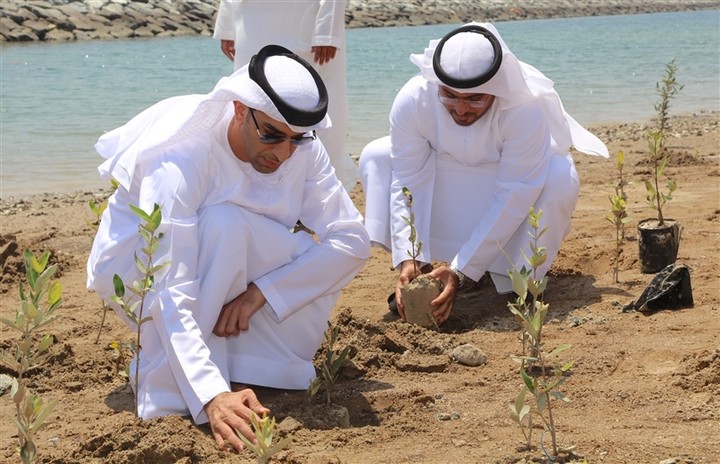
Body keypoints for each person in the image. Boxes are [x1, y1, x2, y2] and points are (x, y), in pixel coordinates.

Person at [87, 45, 370, 452]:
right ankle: (189, 386)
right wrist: (211, 396)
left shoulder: (300, 148)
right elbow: (170, 285)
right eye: (271, 135)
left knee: (257, 237)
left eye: (297, 139)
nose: (283, 153)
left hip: (229, 257)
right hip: (138, 267)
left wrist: (262, 293)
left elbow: (352, 241)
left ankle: (248, 367)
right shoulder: (181, 158)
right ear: (240, 109)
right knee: (225, 223)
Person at [359, 22, 608, 325]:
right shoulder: (415, 98)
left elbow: (515, 192)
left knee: (560, 176)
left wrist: (462, 271)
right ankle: (422, 275)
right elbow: (408, 178)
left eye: (475, 99)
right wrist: (409, 255)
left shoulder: (524, 108)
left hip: (507, 197)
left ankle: (511, 280)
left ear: (496, 88)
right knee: (377, 155)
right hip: (450, 190)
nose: (461, 110)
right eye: (450, 96)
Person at [213, 0, 358, 193]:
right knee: (250, 96)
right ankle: (251, 188)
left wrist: (327, 31)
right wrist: (227, 26)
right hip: (250, 20)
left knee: (315, 102)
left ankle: (319, 190)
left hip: (304, 20)